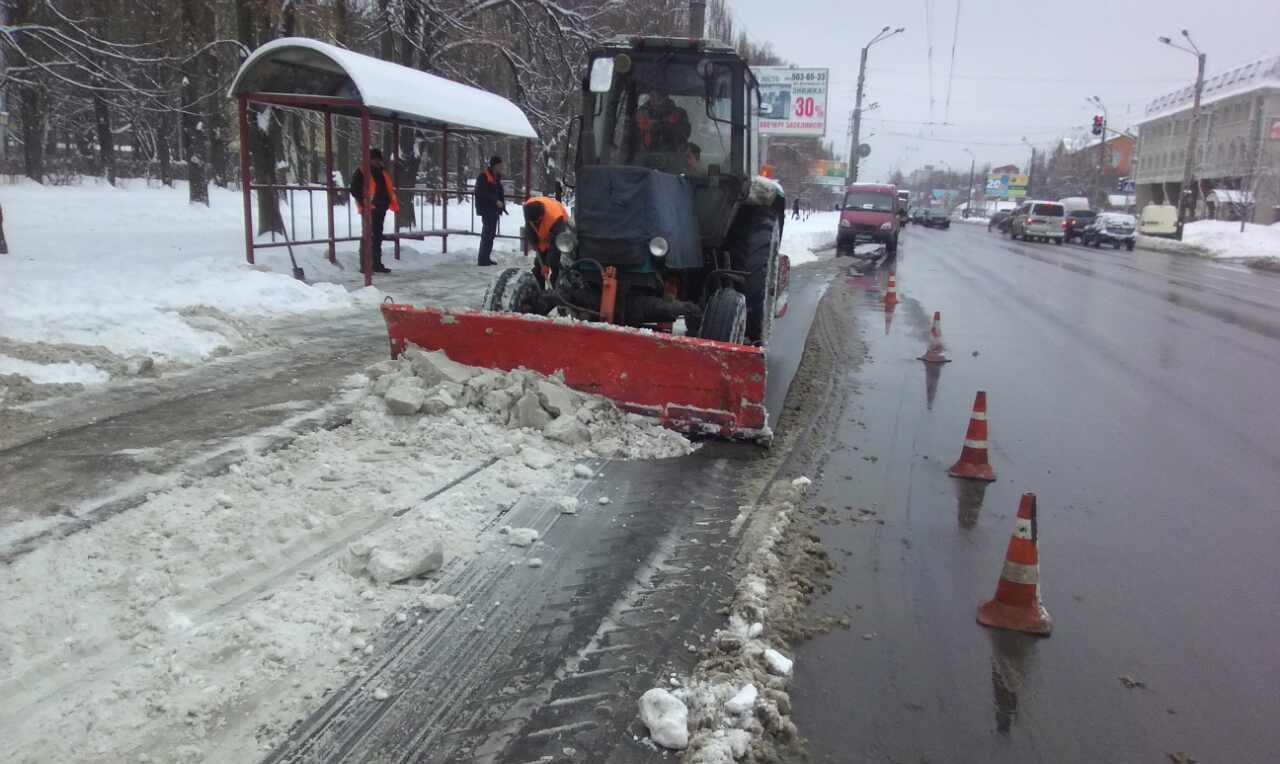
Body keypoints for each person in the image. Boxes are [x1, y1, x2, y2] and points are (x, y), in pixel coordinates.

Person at [349, 149, 398, 274]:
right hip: (369, 208)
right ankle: (366, 265)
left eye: (378, 159)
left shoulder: (382, 172)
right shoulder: (362, 171)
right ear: (370, 159)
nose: (377, 162)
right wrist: (363, 201)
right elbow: (354, 188)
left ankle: (376, 264)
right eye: (375, 159)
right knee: (368, 235)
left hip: (380, 207)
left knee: (377, 236)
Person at [522, 196, 571, 289]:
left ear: (541, 216)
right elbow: (529, 229)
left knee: (555, 264)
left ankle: (556, 288)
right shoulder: (528, 209)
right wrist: (535, 244)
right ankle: (539, 289)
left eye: (536, 221)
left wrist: (547, 264)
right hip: (545, 229)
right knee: (538, 266)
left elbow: (555, 245)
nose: (534, 222)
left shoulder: (556, 217)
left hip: (558, 232)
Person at [474, 155, 506, 266]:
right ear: (495, 165)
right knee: (487, 234)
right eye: (500, 165)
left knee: (491, 235)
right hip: (487, 209)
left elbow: (497, 192)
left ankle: (486, 257)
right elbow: (481, 192)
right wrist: (495, 201)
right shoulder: (484, 176)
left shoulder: (496, 176)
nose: (502, 167)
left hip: (494, 210)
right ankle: (482, 259)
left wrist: (501, 205)